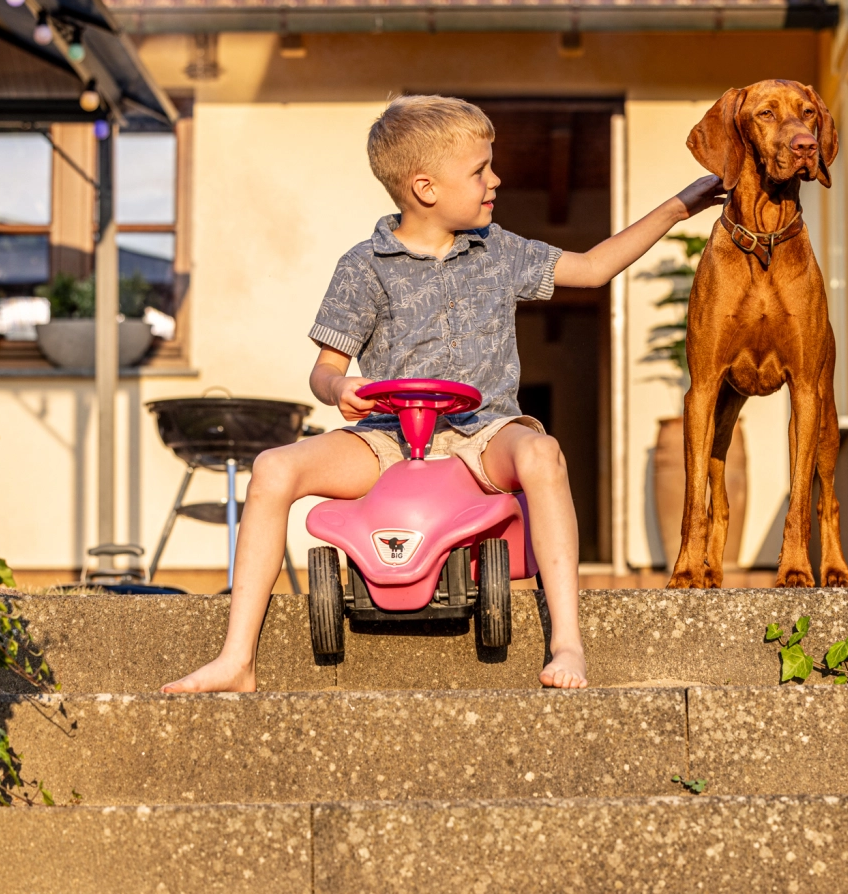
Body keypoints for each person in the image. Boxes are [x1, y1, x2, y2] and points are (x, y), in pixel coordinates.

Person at [162, 95, 723, 693]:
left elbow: (590, 268)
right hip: (387, 439)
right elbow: (323, 370)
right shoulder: (363, 266)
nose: (495, 180)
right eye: (480, 170)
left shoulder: (499, 250)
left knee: (541, 454)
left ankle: (567, 642)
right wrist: (340, 387)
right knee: (273, 467)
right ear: (425, 187)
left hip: (484, 434)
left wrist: (678, 206)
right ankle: (237, 659)